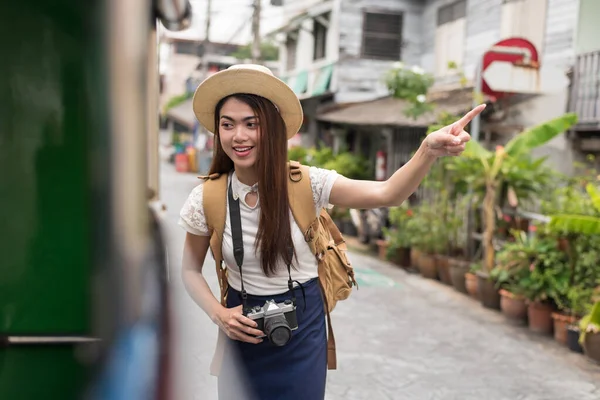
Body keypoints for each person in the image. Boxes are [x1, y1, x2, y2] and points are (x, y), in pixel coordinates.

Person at [178, 64, 485, 400]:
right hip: (242, 327)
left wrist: (427, 151)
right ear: (218, 132)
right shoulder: (205, 198)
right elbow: (190, 269)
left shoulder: (308, 183)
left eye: (252, 123)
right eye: (228, 124)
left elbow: (388, 194)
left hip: (302, 323)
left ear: (272, 129)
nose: (240, 136)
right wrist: (218, 313)